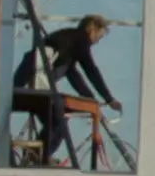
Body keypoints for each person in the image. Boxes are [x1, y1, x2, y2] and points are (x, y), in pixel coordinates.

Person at [14, 14, 122, 165]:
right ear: (92, 29)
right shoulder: (80, 39)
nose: (97, 41)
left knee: (59, 123)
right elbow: (91, 70)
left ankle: (38, 154)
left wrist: (92, 101)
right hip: (33, 83)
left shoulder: (68, 43)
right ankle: (38, 155)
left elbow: (74, 76)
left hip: (25, 83)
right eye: (99, 36)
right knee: (58, 120)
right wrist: (108, 99)